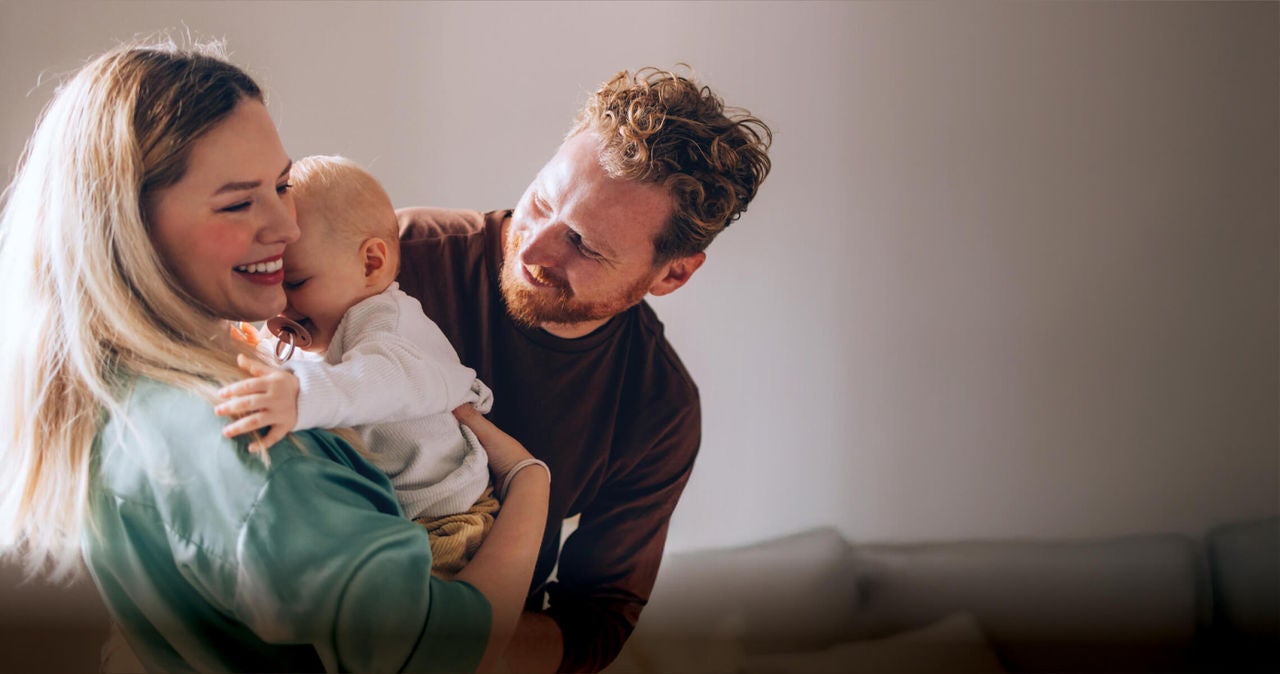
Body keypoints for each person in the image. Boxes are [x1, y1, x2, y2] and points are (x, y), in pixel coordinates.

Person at [0, 40, 548, 674]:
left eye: (282, 185)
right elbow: (445, 654)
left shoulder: (117, 389)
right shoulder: (256, 448)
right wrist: (531, 483)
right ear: (127, 226)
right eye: (238, 201)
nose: (287, 229)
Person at [397, 66, 772, 673]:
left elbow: (595, 621)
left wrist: (449, 649)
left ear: (672, 273)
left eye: (585, 245)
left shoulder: (658, 408)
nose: (535, 249)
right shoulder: (393, 260)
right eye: (542, 201)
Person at [214, 154, 497, 578]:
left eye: (294, 283)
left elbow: (376, 382)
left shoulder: (389, 324)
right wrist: (257, 352)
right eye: (269, 280)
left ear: (371, 264)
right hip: (392, 516)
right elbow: (312, 364)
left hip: (446, 520)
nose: (278, 305)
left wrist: (298, 394)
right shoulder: (325, 320)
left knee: (418, 627)